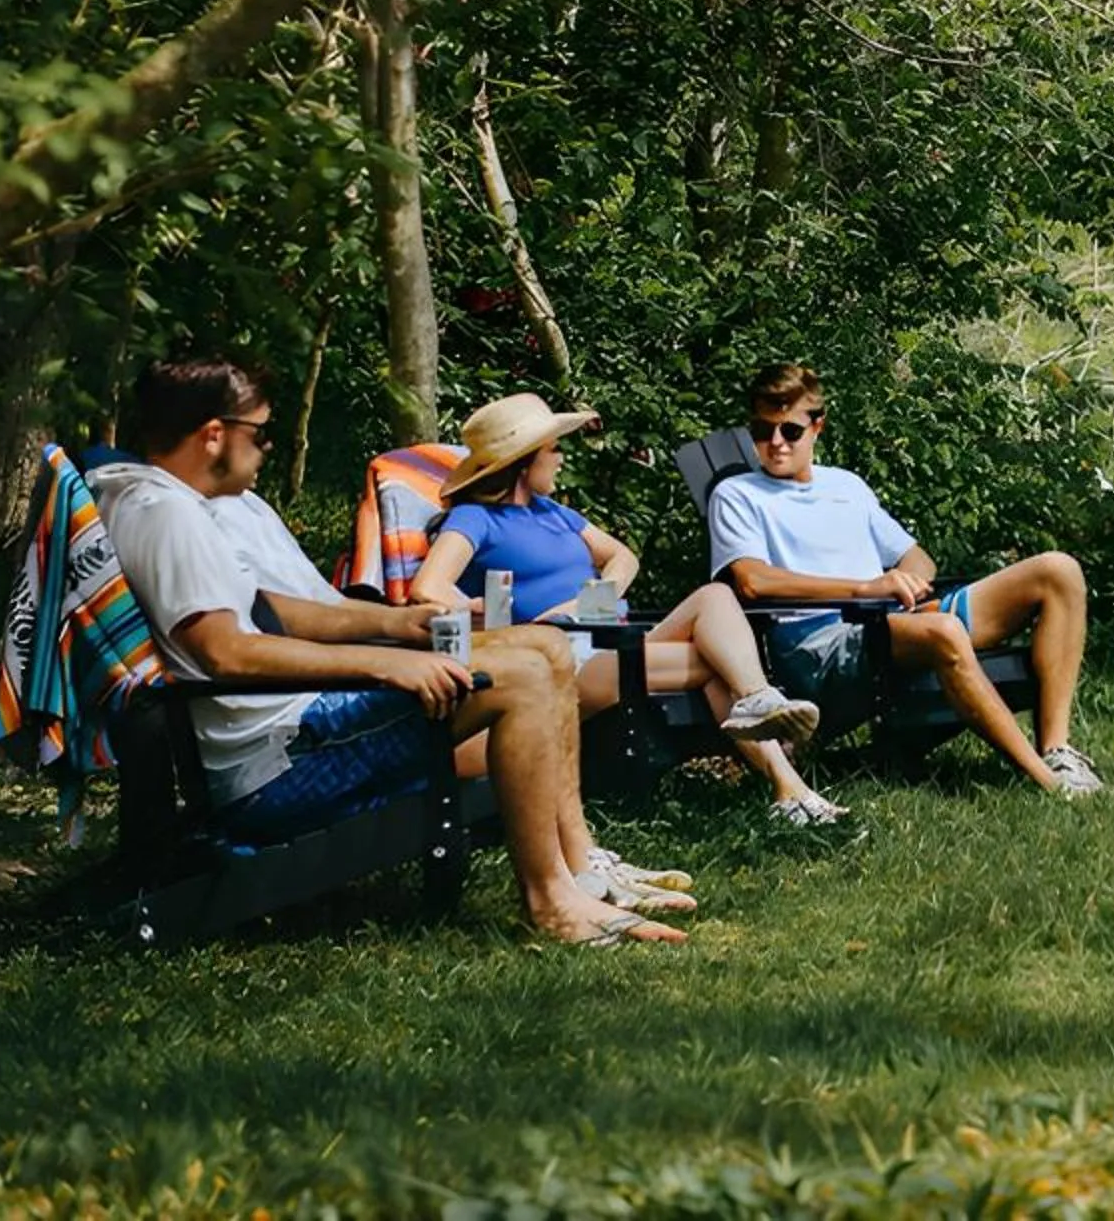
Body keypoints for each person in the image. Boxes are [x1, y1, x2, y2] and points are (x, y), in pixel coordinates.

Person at [91, 358, 685, 946]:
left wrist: (400, 625)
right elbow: (227, 654)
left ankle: (579, 871)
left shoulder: (177, 504)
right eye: (260, 433)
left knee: (545, 645)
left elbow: (278, 611)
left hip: (296, 728)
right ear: (213, 435)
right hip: (279, 763)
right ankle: (551, 903)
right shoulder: (166, 516)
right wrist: (388, 662)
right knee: (525, 674)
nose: (267, 447)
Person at [414, 392, 846, 826]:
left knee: (715, 598)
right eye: (554, 449)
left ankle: (772, 741)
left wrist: (586, 603)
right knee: (717, 662)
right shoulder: (476, 518)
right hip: (561, 659)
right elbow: (428, 587)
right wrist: (482, 612)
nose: (562, 458)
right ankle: (785, 773)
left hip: (608, 636)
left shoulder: (554, 513)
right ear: (524, 461)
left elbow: (623, 557)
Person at [709, 363, 1101, 795]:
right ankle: (1048, 783)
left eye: (790, 430)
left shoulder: (846, 486)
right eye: (762, 431)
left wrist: (907, 589)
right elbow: (753, 582)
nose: (776, 443)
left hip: (891, 621)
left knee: (1057, 571)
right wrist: (866, 590)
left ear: (818, 426)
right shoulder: (737, 494)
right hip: (819, 644)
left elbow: (916, 558)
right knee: (943, 629)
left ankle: (1057, 751)